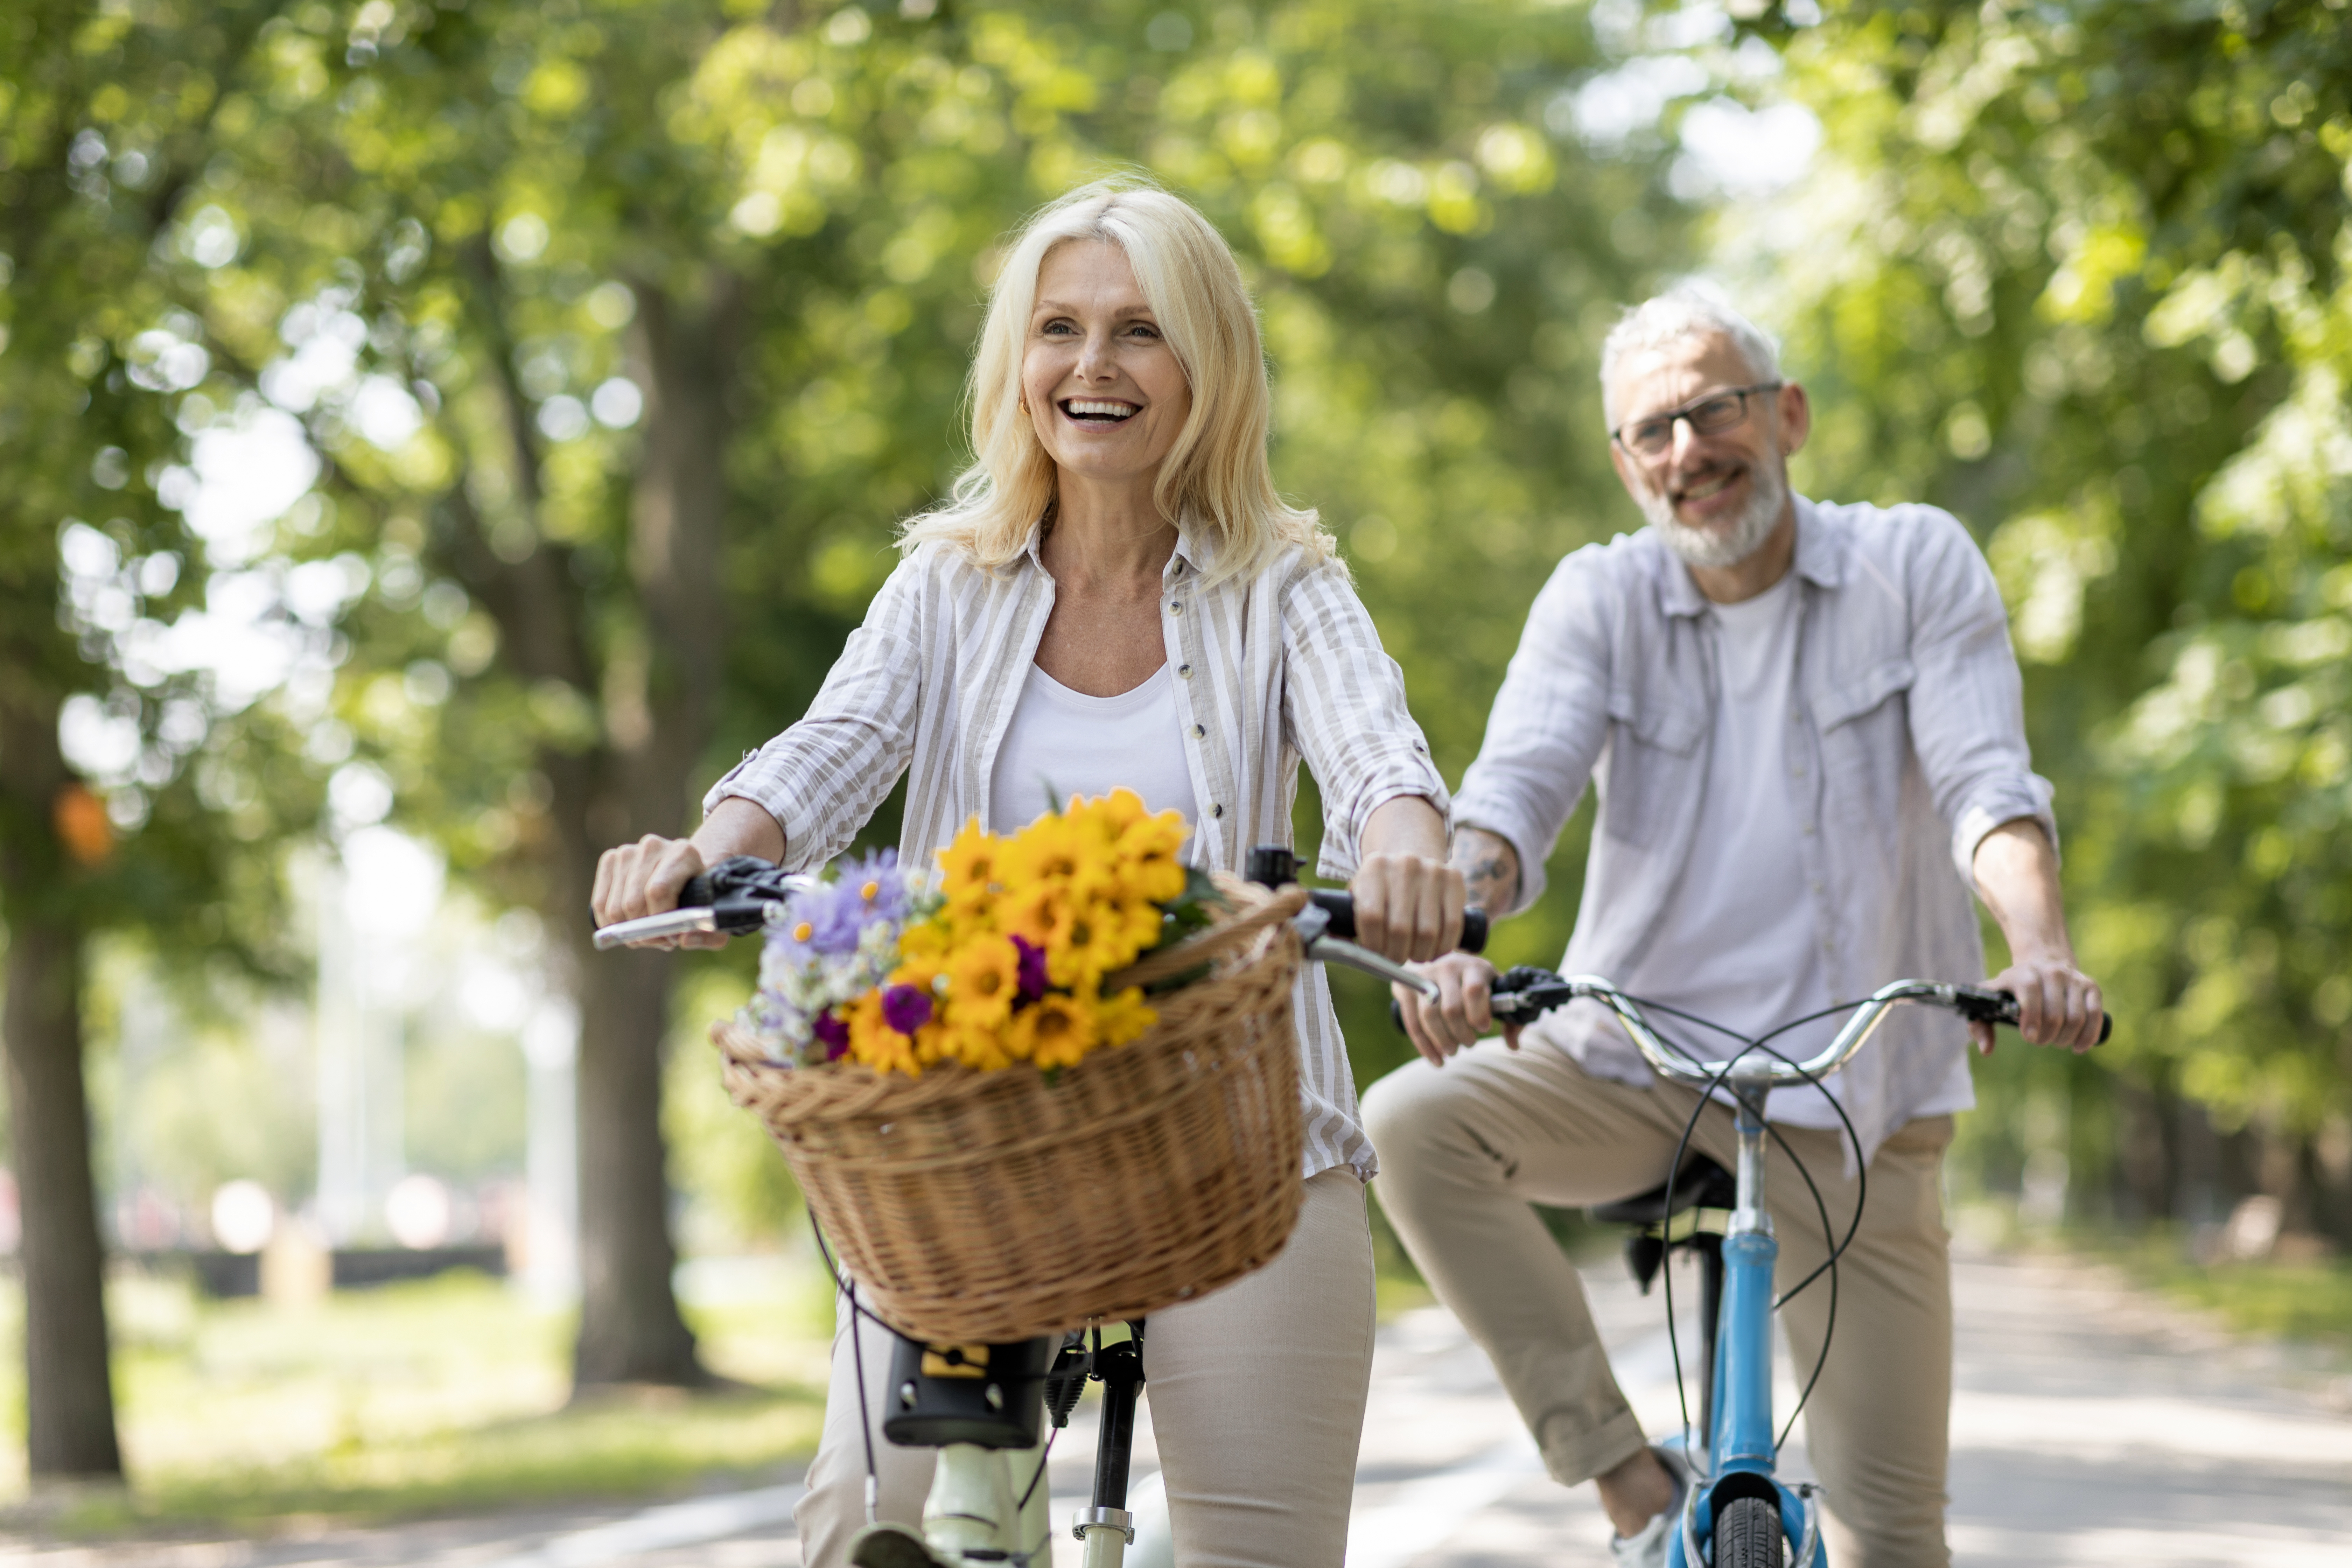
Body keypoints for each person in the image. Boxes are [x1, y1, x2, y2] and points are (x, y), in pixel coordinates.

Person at [591, 179, 1464, 1567]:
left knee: (1264, 1548)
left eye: (1140, 330)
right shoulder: (951, 584)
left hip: (1242, 1140)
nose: (1094, 365)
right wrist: (710, 854)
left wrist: (1412, 850)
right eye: (1059, 328)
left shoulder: (1283, 585)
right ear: (1019, 366)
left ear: (1207, 366)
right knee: (868, 1525)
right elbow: (837, 743)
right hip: (980, 1140)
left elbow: (1375, 750)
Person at [1362, 285, 2105, 1568]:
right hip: (1632, 1065)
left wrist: (2038, 948)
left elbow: (1990, 787)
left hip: (1858, 1092)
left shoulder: (1915, 564)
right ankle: (1624, 1481)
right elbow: (1509, 805)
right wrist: (1456, 928)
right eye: (1652, 431)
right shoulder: (1597, 599)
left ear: (1788, 415)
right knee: (1414, 1125)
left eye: (1714, 411)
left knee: (1893, 1539)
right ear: (1623, 464)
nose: (1686, 451)